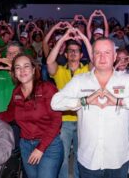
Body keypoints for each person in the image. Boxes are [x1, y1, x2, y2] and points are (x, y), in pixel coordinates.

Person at [51, 38, 129, 177]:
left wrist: (119, 102)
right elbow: (55, 102)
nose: (102, 57)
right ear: (92, 57)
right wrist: (85, 101)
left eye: (107, 52)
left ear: (114, 57)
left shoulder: (127, 80)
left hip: (117, 158)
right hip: (89, 158)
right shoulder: (79, 81)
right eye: (98, 53)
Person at [1, 54, 64, 178]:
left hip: (49, 144)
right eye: (18, 68)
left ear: (34, 69)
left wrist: (40, 148)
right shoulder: (16, 92)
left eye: (26, 66)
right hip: (26, 145)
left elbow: (56, 120)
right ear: (14, 72)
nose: (22, 71)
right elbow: (9, 115)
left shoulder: (47, 88)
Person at [47, 27, 93, 178]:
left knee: (82, 156)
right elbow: (49, 61)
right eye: (70, 50)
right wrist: (64, 38)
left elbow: (95, 59)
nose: (73, 53)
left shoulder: (87, 70)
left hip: (83, 119)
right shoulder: (59, 71)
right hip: (64, 120)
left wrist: (85, 39)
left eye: (76, 50)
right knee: (64, 156)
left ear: (81, 55)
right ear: (65, 54)